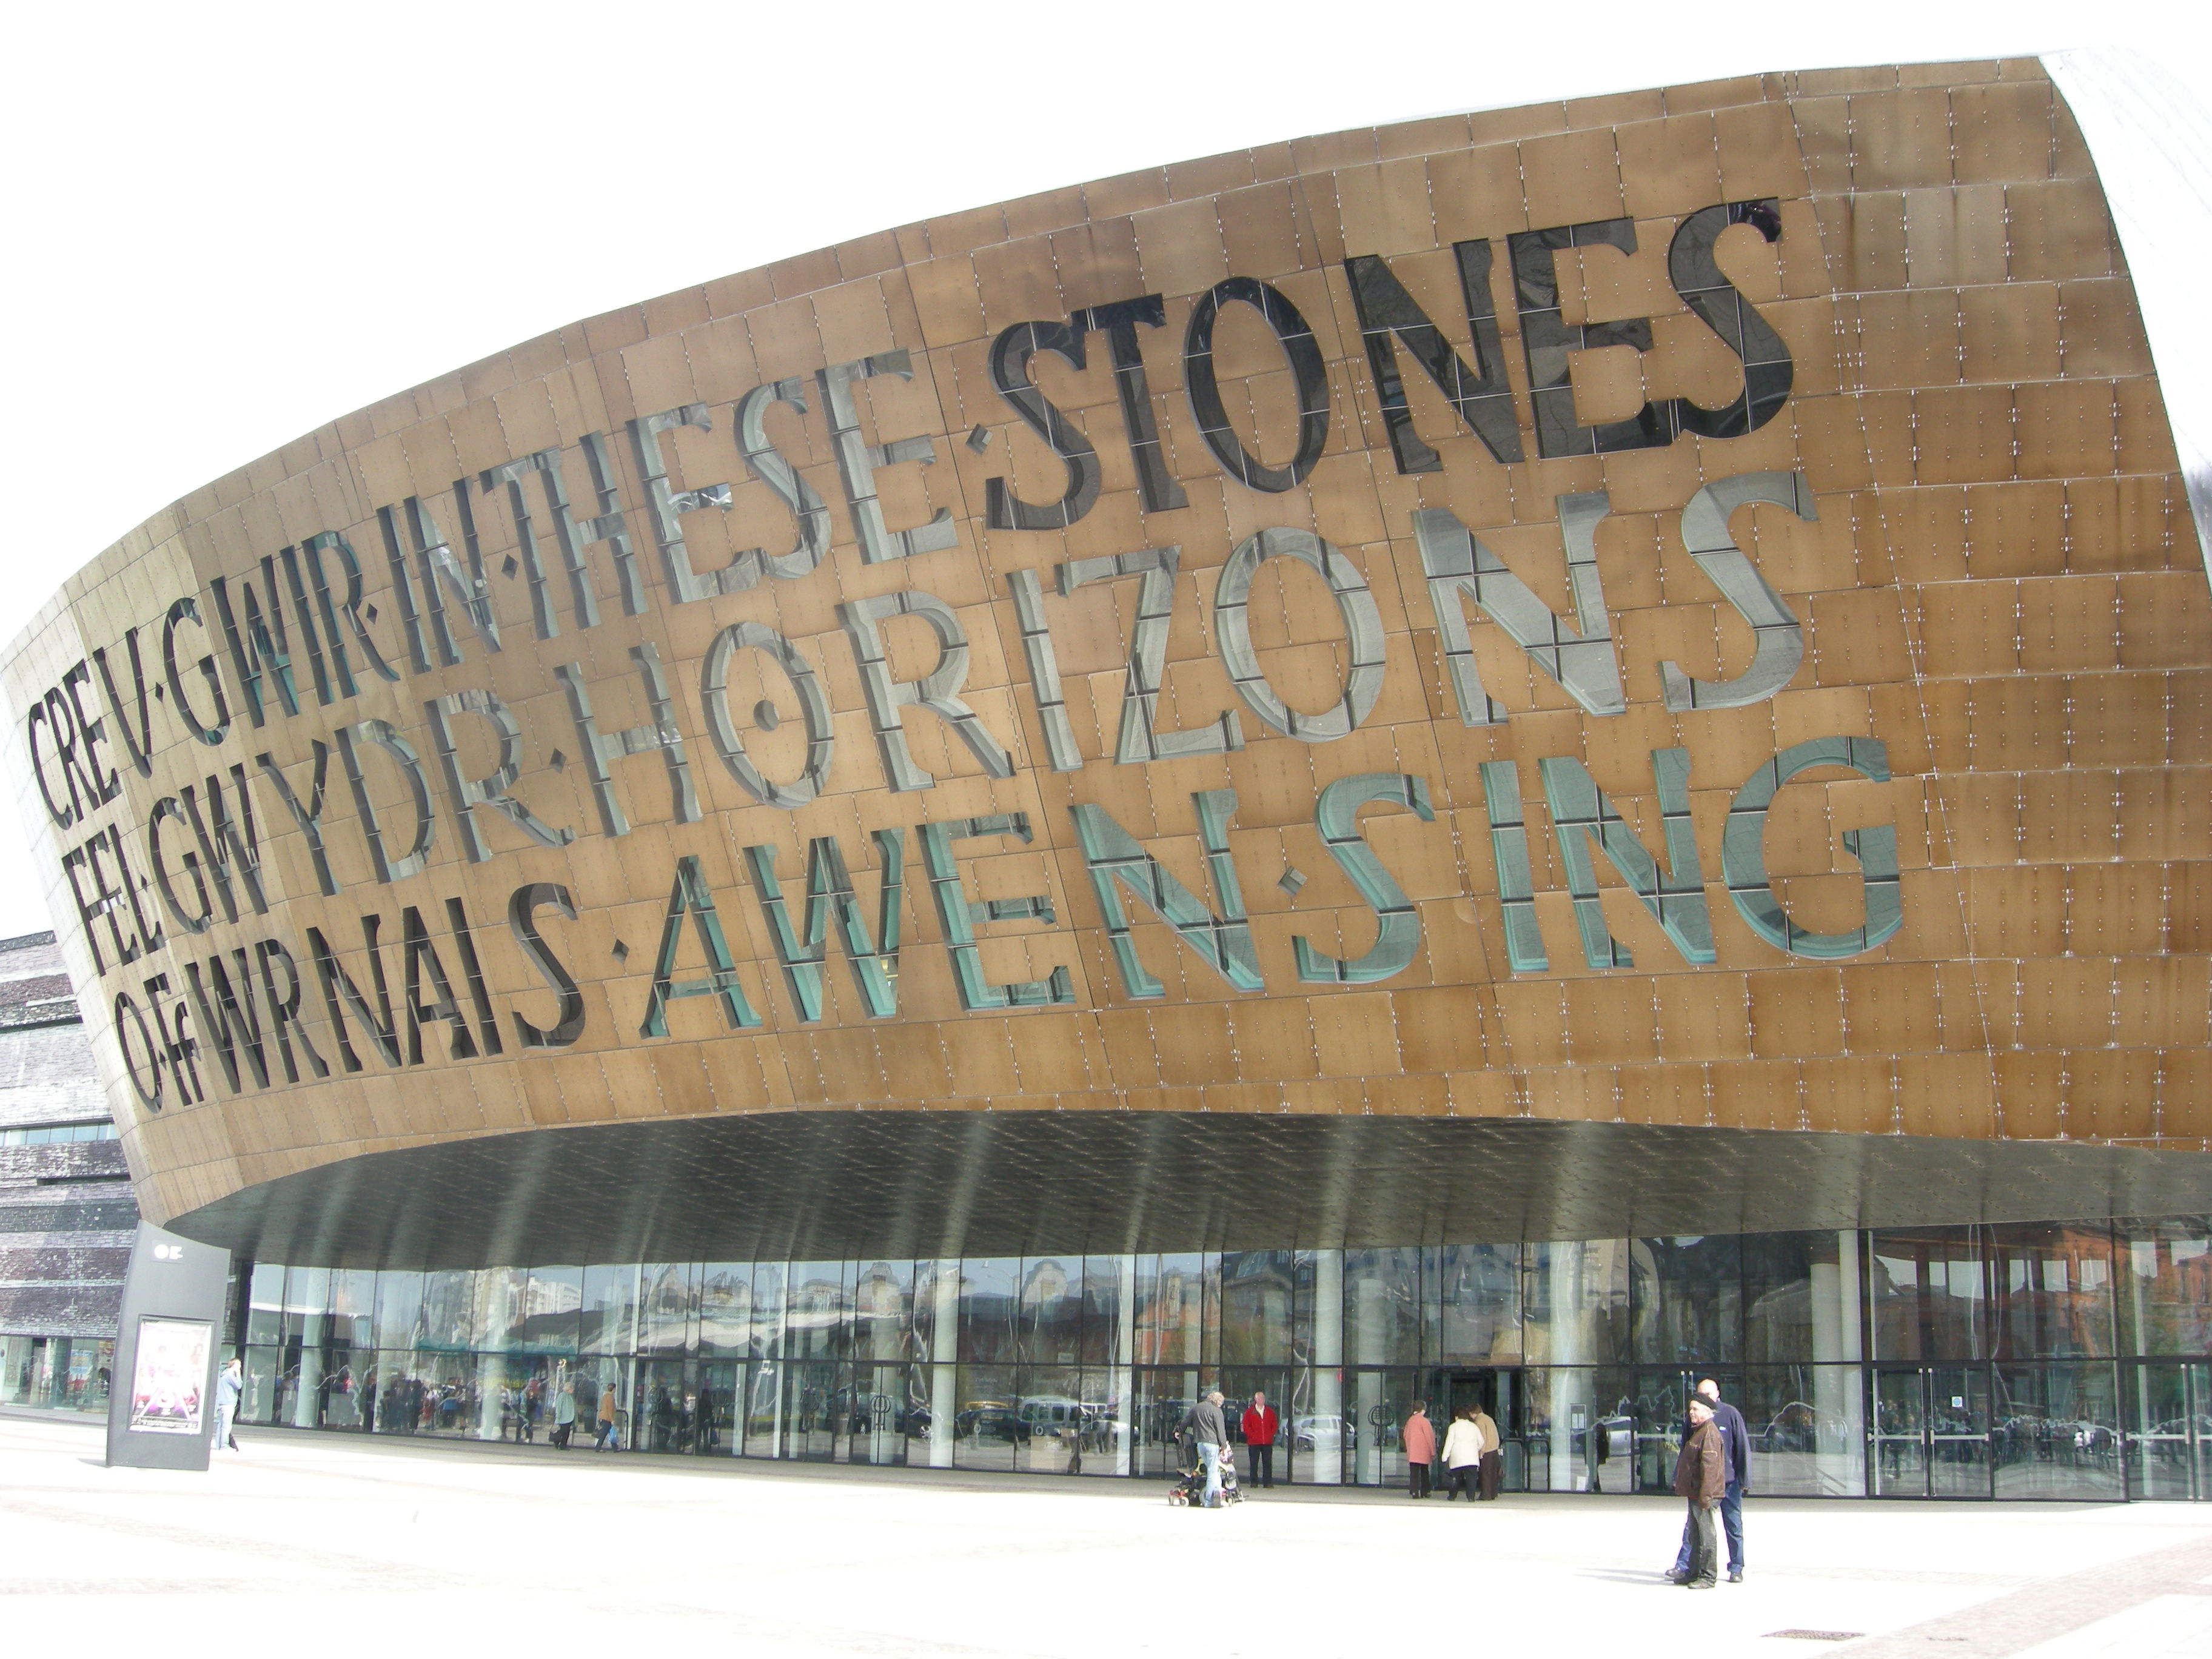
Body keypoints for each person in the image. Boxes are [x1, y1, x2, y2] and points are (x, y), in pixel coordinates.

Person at [1687, 1379, 1749, 1581]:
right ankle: (1686, 1565)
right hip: (1704, 1483)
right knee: (1695, 1526)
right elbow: (1686, 1452)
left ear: (1717, 1394)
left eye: (1707, 1394)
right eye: (1699, 1394)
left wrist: (1744, 1479)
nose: (1703, 1399)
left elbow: (1741, 1447)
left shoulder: (1730, 1414)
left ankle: (1736, 1567)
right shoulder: (1695, 1418)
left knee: (1732, 1524)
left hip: (1729, 1482)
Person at [1671, 1397, 1725, 1588]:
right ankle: (1693, 1572)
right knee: (1695, 1536)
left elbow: (1710, 1470)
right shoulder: (1699, 1432)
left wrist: (1706, 1497)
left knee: (1706, 1536)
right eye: (1690, 1409)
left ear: (1707, 1411)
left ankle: (1708, 1576)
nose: (1691, 1413)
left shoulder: (1709, 1434)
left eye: (1695, 1409)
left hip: (1704, 1496)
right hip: (1696, 1494)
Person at [1181, 1389, 1229, 1508]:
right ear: (1218, 1402)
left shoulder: (1197, 1408)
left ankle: (1217, 1491)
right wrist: (1224, 1447)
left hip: (1200, 1444)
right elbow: (1221, 1431)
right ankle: (1208, 1500)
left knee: (1213, 1469)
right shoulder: (1216, 1411)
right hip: (1213, 1444)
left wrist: (1179, 1431)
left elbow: (1186, 1422)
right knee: (1212, 1471)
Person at [1440, 1406, 1484, 1500]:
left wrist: (1445, 1457)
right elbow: (1481, 1441)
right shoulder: (1474, 1427)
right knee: (1471, 1478)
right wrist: (1476, 1449)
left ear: (1457, 1417)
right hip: (1472, 1457)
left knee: (1455, 1477)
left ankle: (1452, 1496)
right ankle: (1471, 1497)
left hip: (1457, 1457)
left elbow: (1449, 1442)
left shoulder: (1453, 1427)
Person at [1241, 1391, 1278, 1490]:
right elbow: (1246, 1426)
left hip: (1267, 1442)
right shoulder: (1250, 1412)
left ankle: (1268, 1483)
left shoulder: (1270, 1411)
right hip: (1254, 1443)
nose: (1262, 1400)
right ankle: (1254, 1482)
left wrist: (1270, 1435)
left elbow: (1275, 1424)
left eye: (1263, 1399)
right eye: (1260, 1398)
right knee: (1254, 1463)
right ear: (1256, 1400)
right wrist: (1253, 1436)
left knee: (1268, 1463)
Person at [1403, 1400, 1437, 1498]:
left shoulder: (1410, 1420)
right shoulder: (1424, 1421)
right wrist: (1433, 1452)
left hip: (1413, 1451)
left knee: (1414, 1473)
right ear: (1423, 1409)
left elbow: (1405, 1435)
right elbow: (1430, 1437)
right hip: (1423, 1451)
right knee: (1424, 1472)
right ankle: (1425, 1491)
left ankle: (1414, 1491)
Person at [1470, 1398, 1503, 1500]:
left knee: (1485, 1474)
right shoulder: (1488, 1418)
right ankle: (1493, 1493)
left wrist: (1481, 1452)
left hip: (1487, 1450)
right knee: (1493, 1474)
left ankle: (1486, 1495)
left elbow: (1482, 1438)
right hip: (1494, 1448)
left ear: (1473, 1413)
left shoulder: (1479, 1421)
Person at [214, 1357, 242, 1452]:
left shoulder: (224, 1375)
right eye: (239, 1365)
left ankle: (219, 1445)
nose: (240, 1367)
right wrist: (238, 1374)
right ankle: (224, 1446)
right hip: (229, 1403)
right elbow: (239, 1385)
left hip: (222, 1403)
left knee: (221, 1425)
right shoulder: (230, 1376)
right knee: (227, 1426)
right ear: (234, 1365)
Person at [552, 1380, 577, 1448]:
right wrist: (558, 1416)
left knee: (566, 1432)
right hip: (563, 1418)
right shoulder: (562, 1396)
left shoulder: (571, 1396)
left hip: (569, 1418)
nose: (573, 1390)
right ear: (569, 1389)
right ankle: (560, 1443)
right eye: (572, 1389)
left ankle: (563, 1444)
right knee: (563, 1432)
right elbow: (559, 1407)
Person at [595, 1381, 620, 1450]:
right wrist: (612, 1419)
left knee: (610, 1432)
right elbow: (610, 1409)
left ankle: (615, 1448)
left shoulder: (605, 1396)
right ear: (614, 1389)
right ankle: (598, 1448)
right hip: (607, 1418)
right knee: (604, 1433)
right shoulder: (610, 1398)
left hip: (603, 1417)